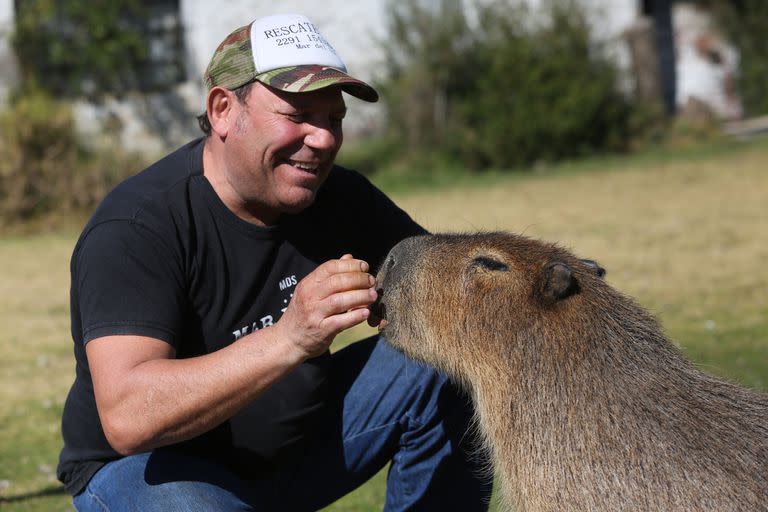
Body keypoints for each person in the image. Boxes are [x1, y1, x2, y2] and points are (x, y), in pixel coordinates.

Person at [57, 13, 492, 511]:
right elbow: (129, 417)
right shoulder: (137, 227)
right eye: (298, 114)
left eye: (333, 118)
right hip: (149, 471)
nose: (324, 138)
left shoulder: (338, 196)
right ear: (223, 110)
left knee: (451, 357)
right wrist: (290, 337)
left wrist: (542, 285)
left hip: (292, 453)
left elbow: (444, 290)